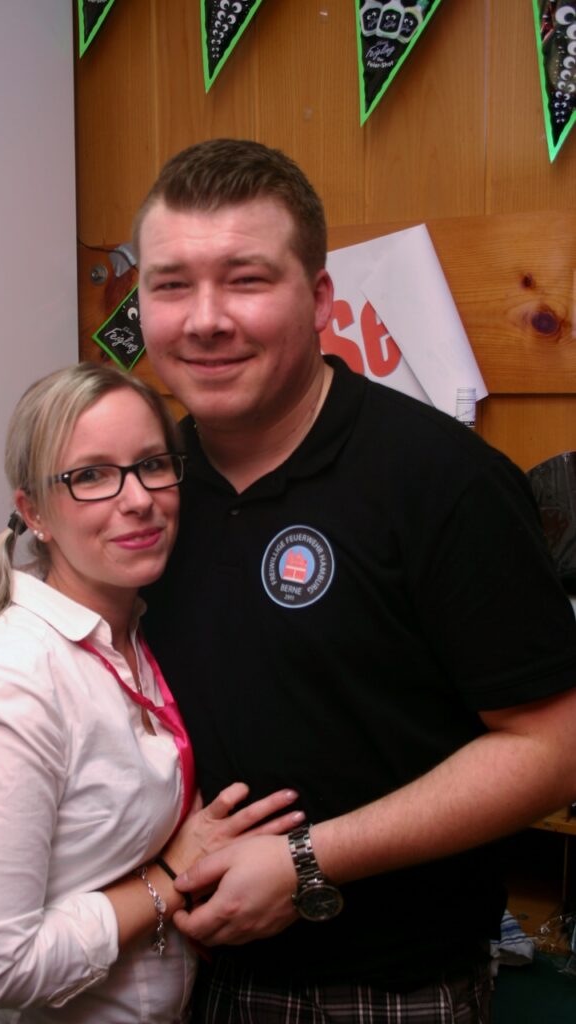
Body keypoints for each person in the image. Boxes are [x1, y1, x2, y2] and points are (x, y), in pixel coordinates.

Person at [133, 138, 576, 1021]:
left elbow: (554, 747)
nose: (204, 319)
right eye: (171, 285)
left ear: (320, 299)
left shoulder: (441, 481)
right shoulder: (139, 491)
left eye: (247, 280)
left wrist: (306, 862)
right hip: (167, 970)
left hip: (382, 991)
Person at [0, 362, 303, 1024]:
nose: (137, 499)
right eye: (92, 475)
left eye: (152, 465)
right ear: (33, 512)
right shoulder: (14, 680)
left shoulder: (140, 630)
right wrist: (170, 877)